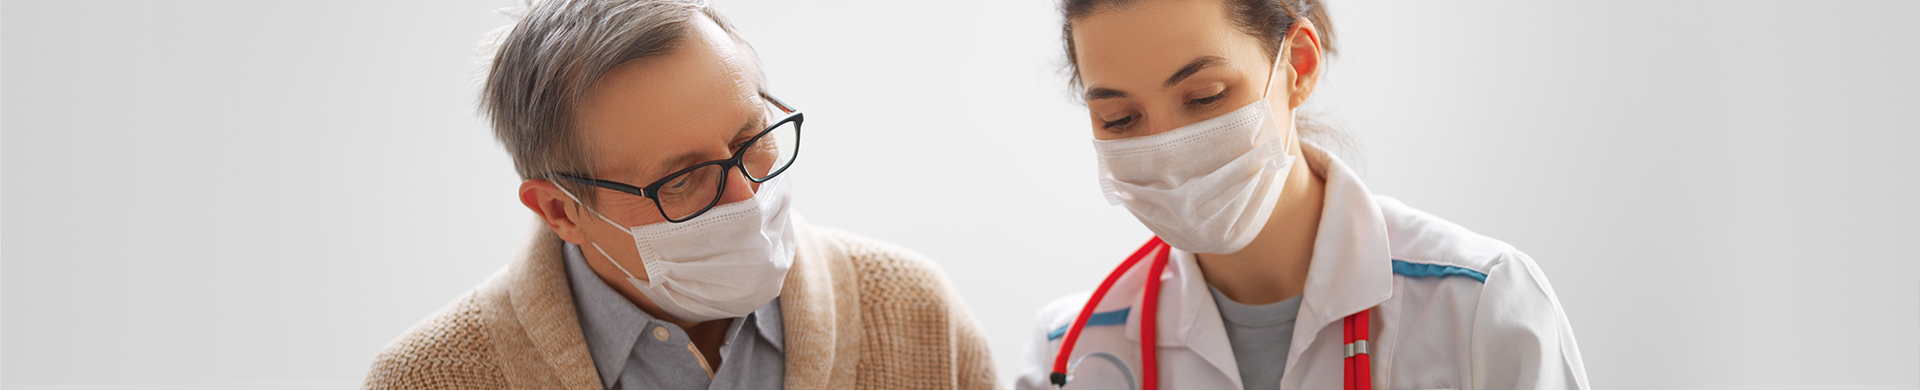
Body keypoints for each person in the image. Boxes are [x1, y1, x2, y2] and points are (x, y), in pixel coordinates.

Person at [363, 0, 996, 388]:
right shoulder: (430, 379)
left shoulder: (917, 317)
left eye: (753, 138)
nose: (748, 197)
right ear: (561, 212)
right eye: (683, 179)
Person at [1016, 0, 1589, 389]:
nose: (1167, 152)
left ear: (1299, 65)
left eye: (1206, 96)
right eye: (1119, 120)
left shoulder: (1478, 308)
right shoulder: (1068, 351)